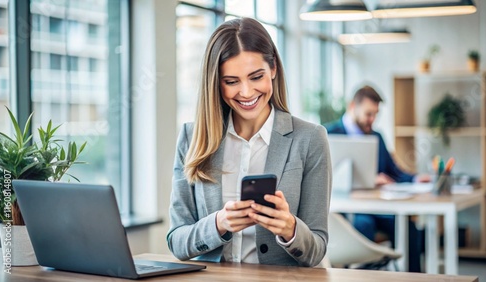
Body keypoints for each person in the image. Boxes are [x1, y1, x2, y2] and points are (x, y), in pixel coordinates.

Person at [167, 17, 331, 267]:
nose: (246, 92)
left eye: (256, 77)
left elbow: (316, 249)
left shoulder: (309, 139)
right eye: (231, 81)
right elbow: (177, 242)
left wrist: (290, 229)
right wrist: (219, 224)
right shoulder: (192, 137)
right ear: (216, 83)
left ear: (273, 69)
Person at [325, 85, 428, 272]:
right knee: (363, 224)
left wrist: (415, 179)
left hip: (377, 207)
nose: (372, 120)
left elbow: (394, 172)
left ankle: (414, 278)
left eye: (375, 115)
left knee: (409, 228)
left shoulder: (377, 136)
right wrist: (370, 179)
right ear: (352, 107)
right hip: (343, 211)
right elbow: (322, 176)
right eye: (368, 114)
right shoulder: (328, 134)